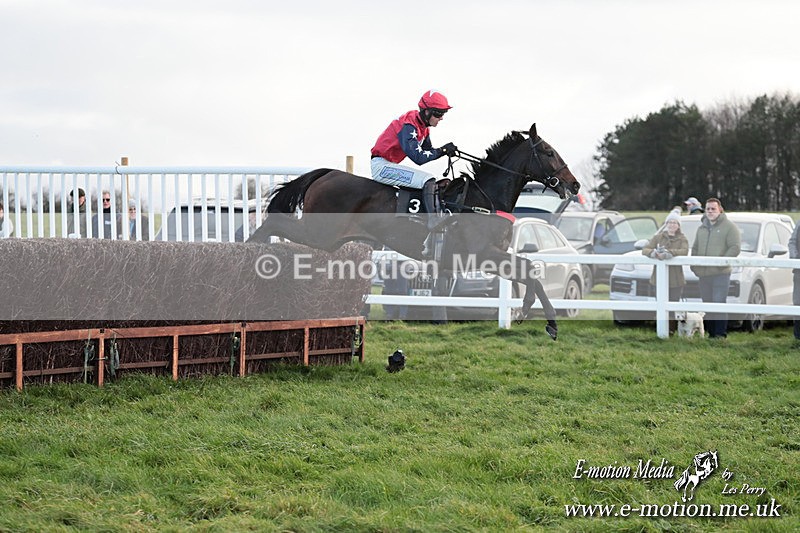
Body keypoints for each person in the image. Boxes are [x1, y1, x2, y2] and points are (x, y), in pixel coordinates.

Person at [370, 90, 457, 230]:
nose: (441, 118)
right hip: (381, 167)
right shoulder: (408, 125)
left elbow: (429, 151)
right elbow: (419, 158)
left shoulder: (423, 127)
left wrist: (446, 151)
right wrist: (442, 151)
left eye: (443, 114)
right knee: (428, 180)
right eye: (438, 114)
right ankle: (434, 220)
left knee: (432, 181)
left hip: (387, 164)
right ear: (426, 112)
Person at [690, 198, 740, 339]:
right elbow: (695, 248)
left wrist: (720, 263)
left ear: (720, 210)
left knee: (719, 304)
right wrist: (694, 265)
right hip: (703, 274)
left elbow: (735, 247)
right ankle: (710, 334)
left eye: (713, 209)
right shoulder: (701, 228)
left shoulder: (729, 227)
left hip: (721, 274)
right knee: (707, 304)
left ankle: (720, 335)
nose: (710, 211)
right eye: (708, 209)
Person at [642, 208, 689, 334]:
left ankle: (672, 330)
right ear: (666, 224)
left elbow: (684, 251)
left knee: (673, 304)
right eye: (670, 222)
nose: (672, 225)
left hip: (675, 279)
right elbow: (645, 249)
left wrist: (670, 254)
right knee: (660, 303)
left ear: (678, 226)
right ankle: (660, 328)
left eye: (675, 223)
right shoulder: (658, 237)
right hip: (658, 278)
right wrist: (653, 253)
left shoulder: (682, 239)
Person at [789, 221, 800, 342]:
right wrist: (796, 260)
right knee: (798, 302)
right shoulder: (799, 224)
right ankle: (798, 337)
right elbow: (792, 242)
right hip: (799, 272)